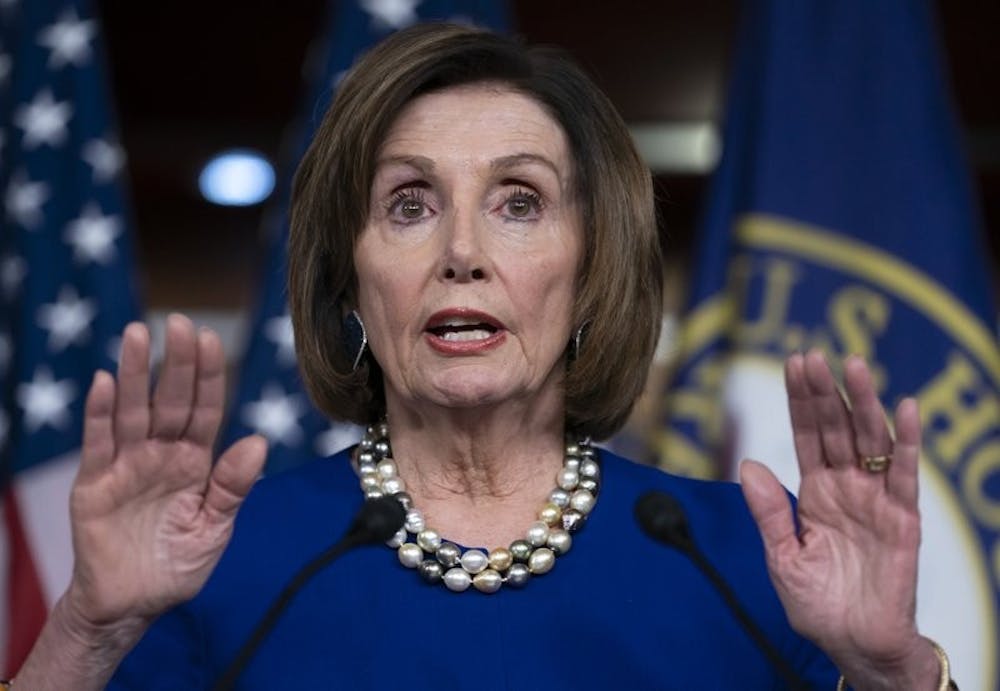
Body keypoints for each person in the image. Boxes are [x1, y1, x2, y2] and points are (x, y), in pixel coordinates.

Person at [10, 23, 954, 690]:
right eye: (409, 205)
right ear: (351, 277)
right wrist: (88, 632)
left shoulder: (750, 560)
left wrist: (896, 671)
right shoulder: (215, 563)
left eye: (519, 202)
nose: (461, 251)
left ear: (592, 269)